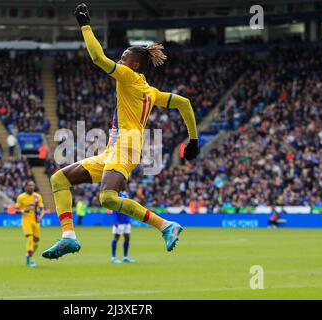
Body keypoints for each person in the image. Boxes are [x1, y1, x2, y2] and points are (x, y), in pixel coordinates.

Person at [42, 3, 199, 260]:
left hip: (127, 146)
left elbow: (97, 58)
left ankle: (166, 225)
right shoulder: (151, 92)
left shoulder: (127, 77)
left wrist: (85, 25)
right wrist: (193, 139)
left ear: (134, 65)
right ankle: (68, 236)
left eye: (123, 58)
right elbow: (184, 103)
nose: (119, 61)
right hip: (113, 148)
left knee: (107, 198)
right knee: (59, 179)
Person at [16, 181, 45, 268]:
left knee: (36, 241)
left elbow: (42, 209)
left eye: (32, 185)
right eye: (29, 185)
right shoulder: (21, 197)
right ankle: (31, 259)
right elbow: (16, 210)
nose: (31, 187)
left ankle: (29, 254)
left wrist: (41, 216)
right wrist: (23, 211)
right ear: (26, 187)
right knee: (30, 238)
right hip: (26, 220)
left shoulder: (37, 196)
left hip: (35, 221)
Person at [111, 191, 135, 264]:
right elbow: (113, 209)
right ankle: (113, 258)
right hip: (119, 222)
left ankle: (125, 257)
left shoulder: (125, 195)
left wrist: (128, 219)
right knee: (116, 238)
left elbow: (128, 208)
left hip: (126, 221)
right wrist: (115, 221)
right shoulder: (115, 195)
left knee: (127, 238)